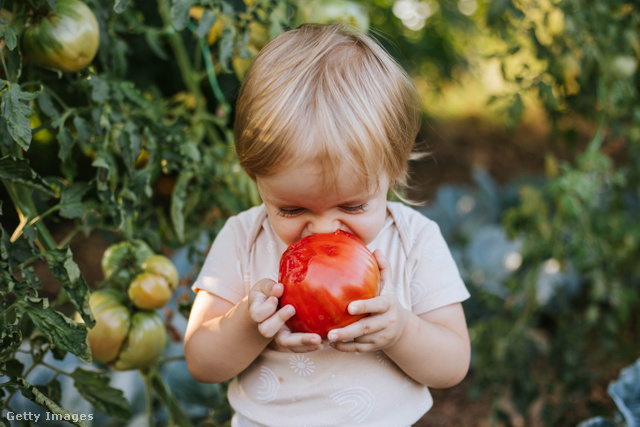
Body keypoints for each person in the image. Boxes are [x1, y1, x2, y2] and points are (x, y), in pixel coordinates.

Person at [184, 23, 471, 427]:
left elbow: (453, 364)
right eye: (291, 210)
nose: (320, 231)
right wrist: (248, 326)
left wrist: (402, 331)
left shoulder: (415, 241)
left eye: (352, 205)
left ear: (393, 171)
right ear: (257, 181)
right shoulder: (243, 239)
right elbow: (201, 360)